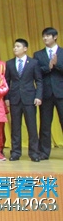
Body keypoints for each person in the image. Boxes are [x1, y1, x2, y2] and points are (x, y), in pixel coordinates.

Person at [5, 38, 43, 162]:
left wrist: (38, 96)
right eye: (14, 46)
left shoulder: (33, 63)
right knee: (15, 127)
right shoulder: (9, 63)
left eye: (18, 46)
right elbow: (6, 82)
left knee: (32, 127)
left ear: (25, 48)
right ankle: (15, 152)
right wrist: (7, 97)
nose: (15, 48)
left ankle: (34, 153)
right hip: (15, 99)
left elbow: (39, 80)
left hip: (30, 99)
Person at [34, 27, 63, 160]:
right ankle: (44, 152)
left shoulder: (62, 52)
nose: (45, 38)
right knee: (45, 124)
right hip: (45, 93)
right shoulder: (38, 55)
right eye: (43, 36)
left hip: (61, 93)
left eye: (48, 36)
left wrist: (56, 65)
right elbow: (36, 72)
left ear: (55, 37)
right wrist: (48, 67)